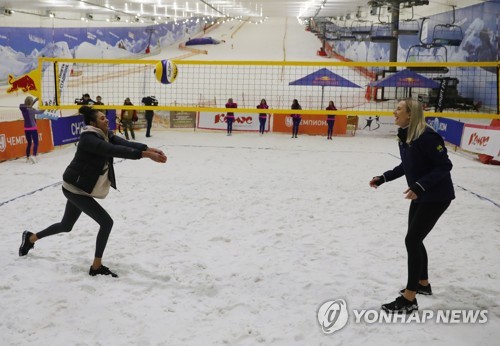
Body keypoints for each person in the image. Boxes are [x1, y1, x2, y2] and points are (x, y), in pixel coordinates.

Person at [18, 106, 167, 278]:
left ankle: (30, 238)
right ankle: (96, 266)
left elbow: (124, 144)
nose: (107, 120)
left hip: (82, 186)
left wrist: (150, 149)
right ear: (92, 123)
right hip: (74, 189)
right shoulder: (88, 138)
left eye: (105, 117)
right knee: (106, 222)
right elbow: (112, 150)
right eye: (102, 118)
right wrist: (145, 155)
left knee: (66, 226)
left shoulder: (105, 134)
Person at [369, 99, 455, 313]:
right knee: (415, 239)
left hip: (436, 195)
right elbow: (406, 165)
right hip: (420, 194)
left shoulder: (427, 136)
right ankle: (423, 284)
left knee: (412, 240)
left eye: (399, 108)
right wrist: (384, 178)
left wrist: (420, 185)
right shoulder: (405, 136)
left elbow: (445, 165)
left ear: (410, 114)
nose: (394, 111)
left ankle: (409, 300)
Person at [19, 96, 45, 163]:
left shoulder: (23, 108)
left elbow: (25, 106)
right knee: (36, 142)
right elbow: (41, 112)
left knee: (29, 143)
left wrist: (35, 100)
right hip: (33, 128)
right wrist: (45, 107)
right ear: (30, 103)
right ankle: (34, 155)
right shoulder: (31, 110)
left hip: (26, 128)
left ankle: (27, 157)